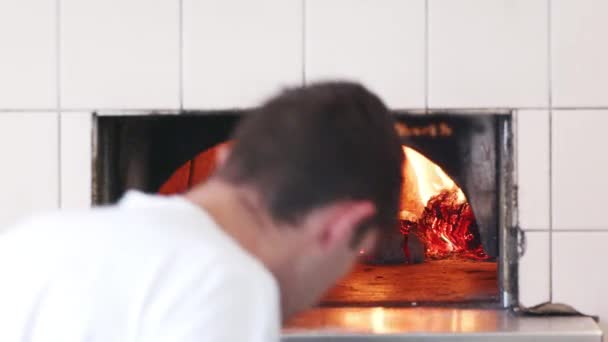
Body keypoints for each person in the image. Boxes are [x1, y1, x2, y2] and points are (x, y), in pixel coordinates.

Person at [0, 82, 404, 341]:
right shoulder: (225, 284)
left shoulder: (35, 239)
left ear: (226, 162)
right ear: (339, 226)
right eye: (355, 254)